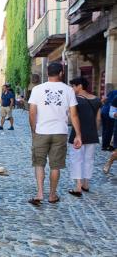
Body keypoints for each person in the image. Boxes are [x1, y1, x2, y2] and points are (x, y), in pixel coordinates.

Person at [27, 62, 82, 206]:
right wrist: (78, 135)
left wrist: (34, 130)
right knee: (55, 166)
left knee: (39, 163)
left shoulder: (37, 89)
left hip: (41, 131)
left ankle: (39, 193)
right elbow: (74, 115)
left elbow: (32, 112)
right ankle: (52, 195)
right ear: (61, 73)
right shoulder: (68, 90)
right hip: (60, 132)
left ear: (47, 72)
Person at [67, 78, 101, 197]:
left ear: (79, 86)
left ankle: (78, 187)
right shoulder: (97, 100)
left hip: (77, 134)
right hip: (91, 134)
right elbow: (98, 119)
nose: (72, 89)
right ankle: (86, 184)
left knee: (76, 159)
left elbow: (71, 118)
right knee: (89, 159)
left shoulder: (74, 100)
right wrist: (94, 131)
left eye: (73, 86)